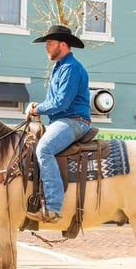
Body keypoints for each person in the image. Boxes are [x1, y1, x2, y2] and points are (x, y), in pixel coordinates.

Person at [25, 25, 91, 223]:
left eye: (50, 43)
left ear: (62, 45)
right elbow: (54, 102)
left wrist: (37, 109)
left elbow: (62, 102)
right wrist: (39, 106)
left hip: (75, 121)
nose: (46, 47)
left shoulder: (71, 68)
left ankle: (53, 207)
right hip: (61, 121)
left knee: (44, 149)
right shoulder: (58, 67)